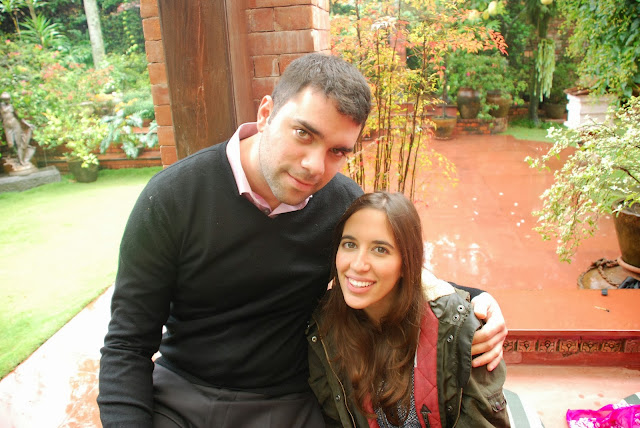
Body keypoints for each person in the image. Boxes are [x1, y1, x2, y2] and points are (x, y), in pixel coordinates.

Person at [98, 53, 507, 428]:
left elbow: (392, 268)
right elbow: (127, 343)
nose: (315, 166)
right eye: (303, 134)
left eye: (337, 151)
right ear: (266, 113)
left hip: (288, 402)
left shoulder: (342, 204)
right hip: (182, 394)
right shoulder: (172, 197)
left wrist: (476, 300)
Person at [307, 192, 510, 428]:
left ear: (406, 263)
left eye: (380, 249)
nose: (358, 264)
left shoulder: (459, 330)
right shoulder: (325, 329)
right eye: (350, 244)